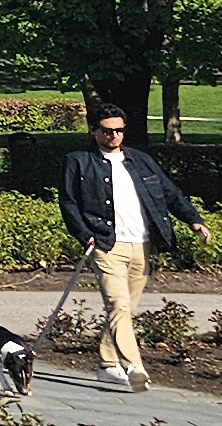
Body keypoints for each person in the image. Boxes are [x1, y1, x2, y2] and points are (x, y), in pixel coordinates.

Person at [58, 109, 209, 391]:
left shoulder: (141, 161)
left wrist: (194, 220)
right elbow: (68, 203)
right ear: (94, 130)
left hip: (142, 244)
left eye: (119, 130)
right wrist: (84, 235)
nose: (114, 136)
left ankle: (106, 364)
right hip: (105, 244)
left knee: (126, 309)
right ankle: (134, 366)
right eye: (107, 130)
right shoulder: (78, 162)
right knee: (118, 305)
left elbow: (170, 193)